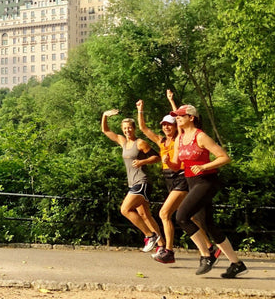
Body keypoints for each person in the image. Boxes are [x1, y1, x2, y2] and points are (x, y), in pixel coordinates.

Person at [136, 97, 220, 264]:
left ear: (176, 125)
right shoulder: (161, 141)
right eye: (164, 125)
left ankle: (168, 251)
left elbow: (181, 122)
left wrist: (173, 103)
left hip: (181, 177)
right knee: (192, 217)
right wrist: (140, 109)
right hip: (169, 179)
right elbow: (143, 128)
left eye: (170, 124)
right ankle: (209, 247)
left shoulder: (180, 138)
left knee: (164, 213)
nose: (166, 127)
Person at [169, 104, 248, 278]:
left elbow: (225, 157)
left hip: (206, 182)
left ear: (191, 117)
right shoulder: (179, 140)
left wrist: (204, 166)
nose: (178, 118)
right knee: (208, 224)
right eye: (176, 116)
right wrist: (167, 162)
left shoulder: (201, 136)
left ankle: (207, 255)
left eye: (181, 115)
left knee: (181, 216)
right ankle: (237, 264)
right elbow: (176, 165)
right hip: (192, 182)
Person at [101, 109, 164, 252]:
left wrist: (142, 162)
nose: (127, 130)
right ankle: (162, 247)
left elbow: (157, 157)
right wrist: (105, 115)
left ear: (134, 128)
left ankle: (150, 235)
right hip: (133, 184)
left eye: (129, 127)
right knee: (145, 215)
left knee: (125, 209)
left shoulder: (140, 143)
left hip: (142, 182)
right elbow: (105, 130)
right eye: (124, 128)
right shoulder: (123, 142)